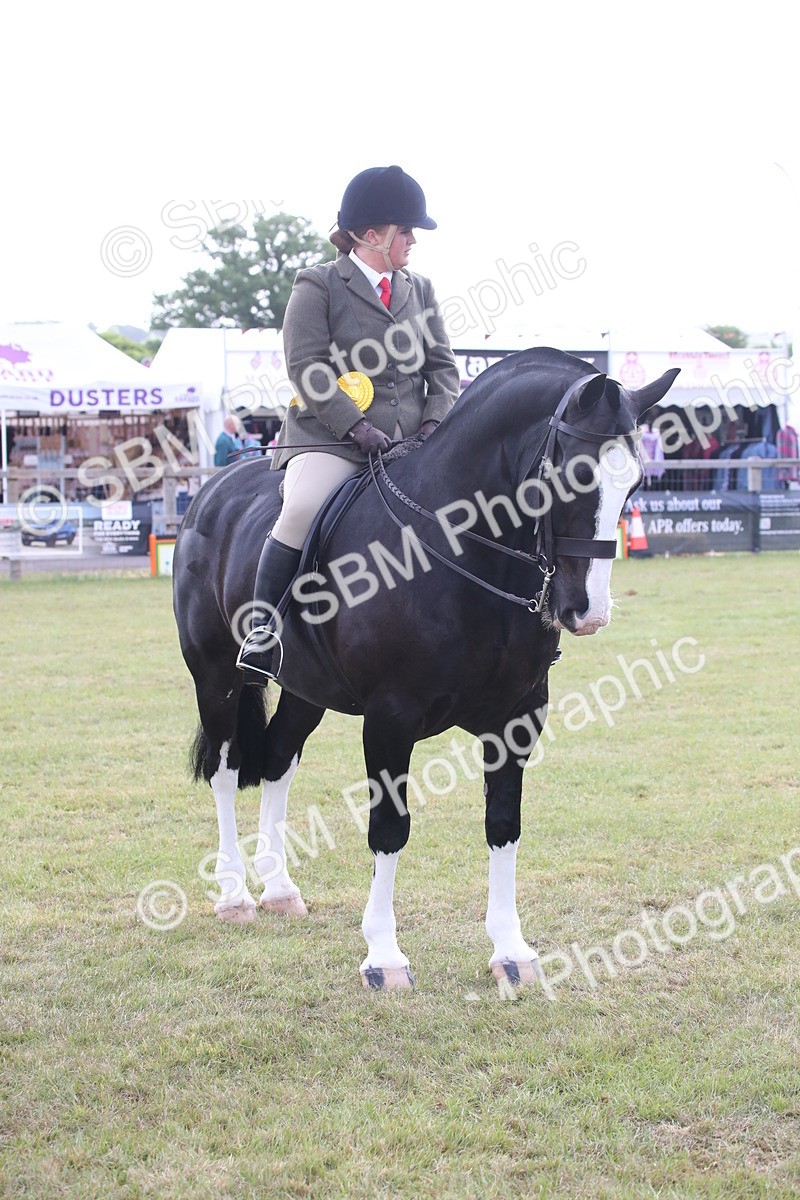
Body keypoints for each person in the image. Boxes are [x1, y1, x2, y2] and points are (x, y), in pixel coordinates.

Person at [237, 164, 460, 682]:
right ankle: (263, 633)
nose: (412, 240)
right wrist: (357, 427)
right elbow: (306, 366)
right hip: (331, 439)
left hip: (411, 443)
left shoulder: (421, 290)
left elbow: (444, 369)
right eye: (405, 231)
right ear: (369, 235)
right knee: (301, 508)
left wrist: (432, 427)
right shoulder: (318, 284)